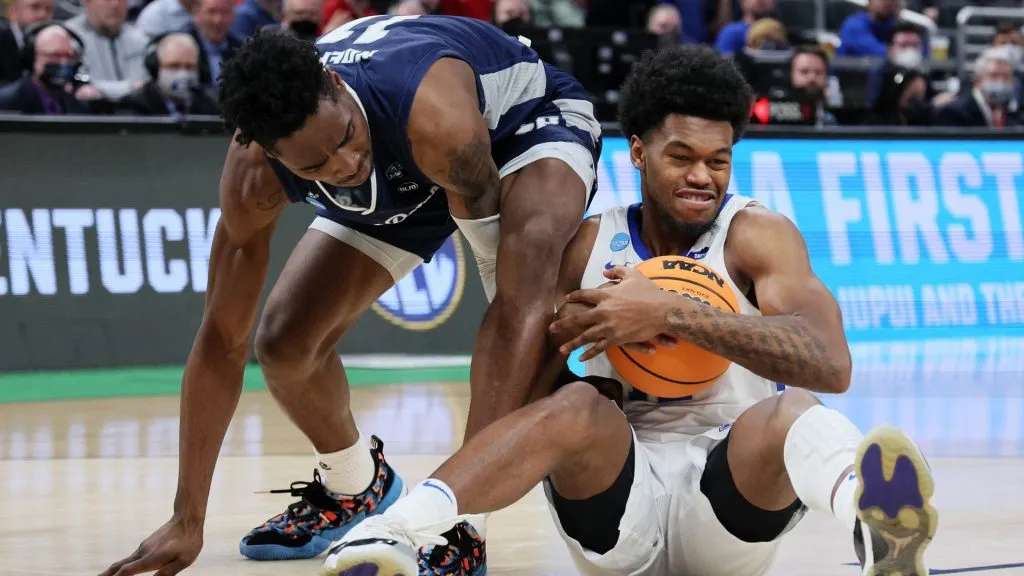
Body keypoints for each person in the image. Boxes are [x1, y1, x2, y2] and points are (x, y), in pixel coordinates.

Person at [321, 44, 938, 576]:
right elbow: (523, 390)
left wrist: (673, 314)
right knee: (578, 405)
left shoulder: (755, 234)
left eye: (718, 161)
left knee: (793, 410)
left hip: (733, 502)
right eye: (682, 156)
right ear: (638, 153)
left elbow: (832, 365)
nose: (703, 176)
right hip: (617, 507)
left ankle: (873, 518)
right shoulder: (587, 245)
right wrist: (571, 370)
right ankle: (393, 532)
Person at [99, 13, 600, 576]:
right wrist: (186, 517)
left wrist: (532, 355)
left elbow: (503, 291)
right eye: (314, 165)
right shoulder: (253, 176)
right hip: (407, 166)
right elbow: (220, 339)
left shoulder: (435, 116)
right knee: (286, 344)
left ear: (336, 87)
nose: (343, 165)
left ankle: (461, 523)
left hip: (514, 131)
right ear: (269, 152)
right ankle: (354, 487)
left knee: (524, 275)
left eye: (342, 139)